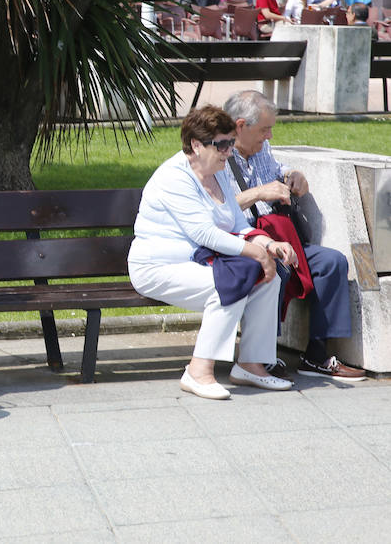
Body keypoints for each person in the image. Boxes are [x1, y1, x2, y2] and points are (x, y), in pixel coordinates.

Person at [128, 106, 295, 400]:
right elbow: (203, 233)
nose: (228, 152)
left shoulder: (217, 173)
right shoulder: (174, 177)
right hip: (157, 267)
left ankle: (250, 365)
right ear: (196, 144)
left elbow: (238, 224)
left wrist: (269, 245)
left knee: (270, 279)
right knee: (228, 283)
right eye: (221, 144)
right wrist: (256, 253)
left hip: (198, 263)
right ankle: (198, 371)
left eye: (230, 143)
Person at [220, 90, 366, 382]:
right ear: (239, 126)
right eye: (264, 129)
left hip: (280, 236)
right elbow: (217, 210)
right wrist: (259, 193)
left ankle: (317, 354)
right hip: (241, 241)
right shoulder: (219, 154)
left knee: (331, 262)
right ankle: (260, 355)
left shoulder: (260, 149)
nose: (269, 136)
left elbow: (277, 169)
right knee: (277, 268)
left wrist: (294, 174)